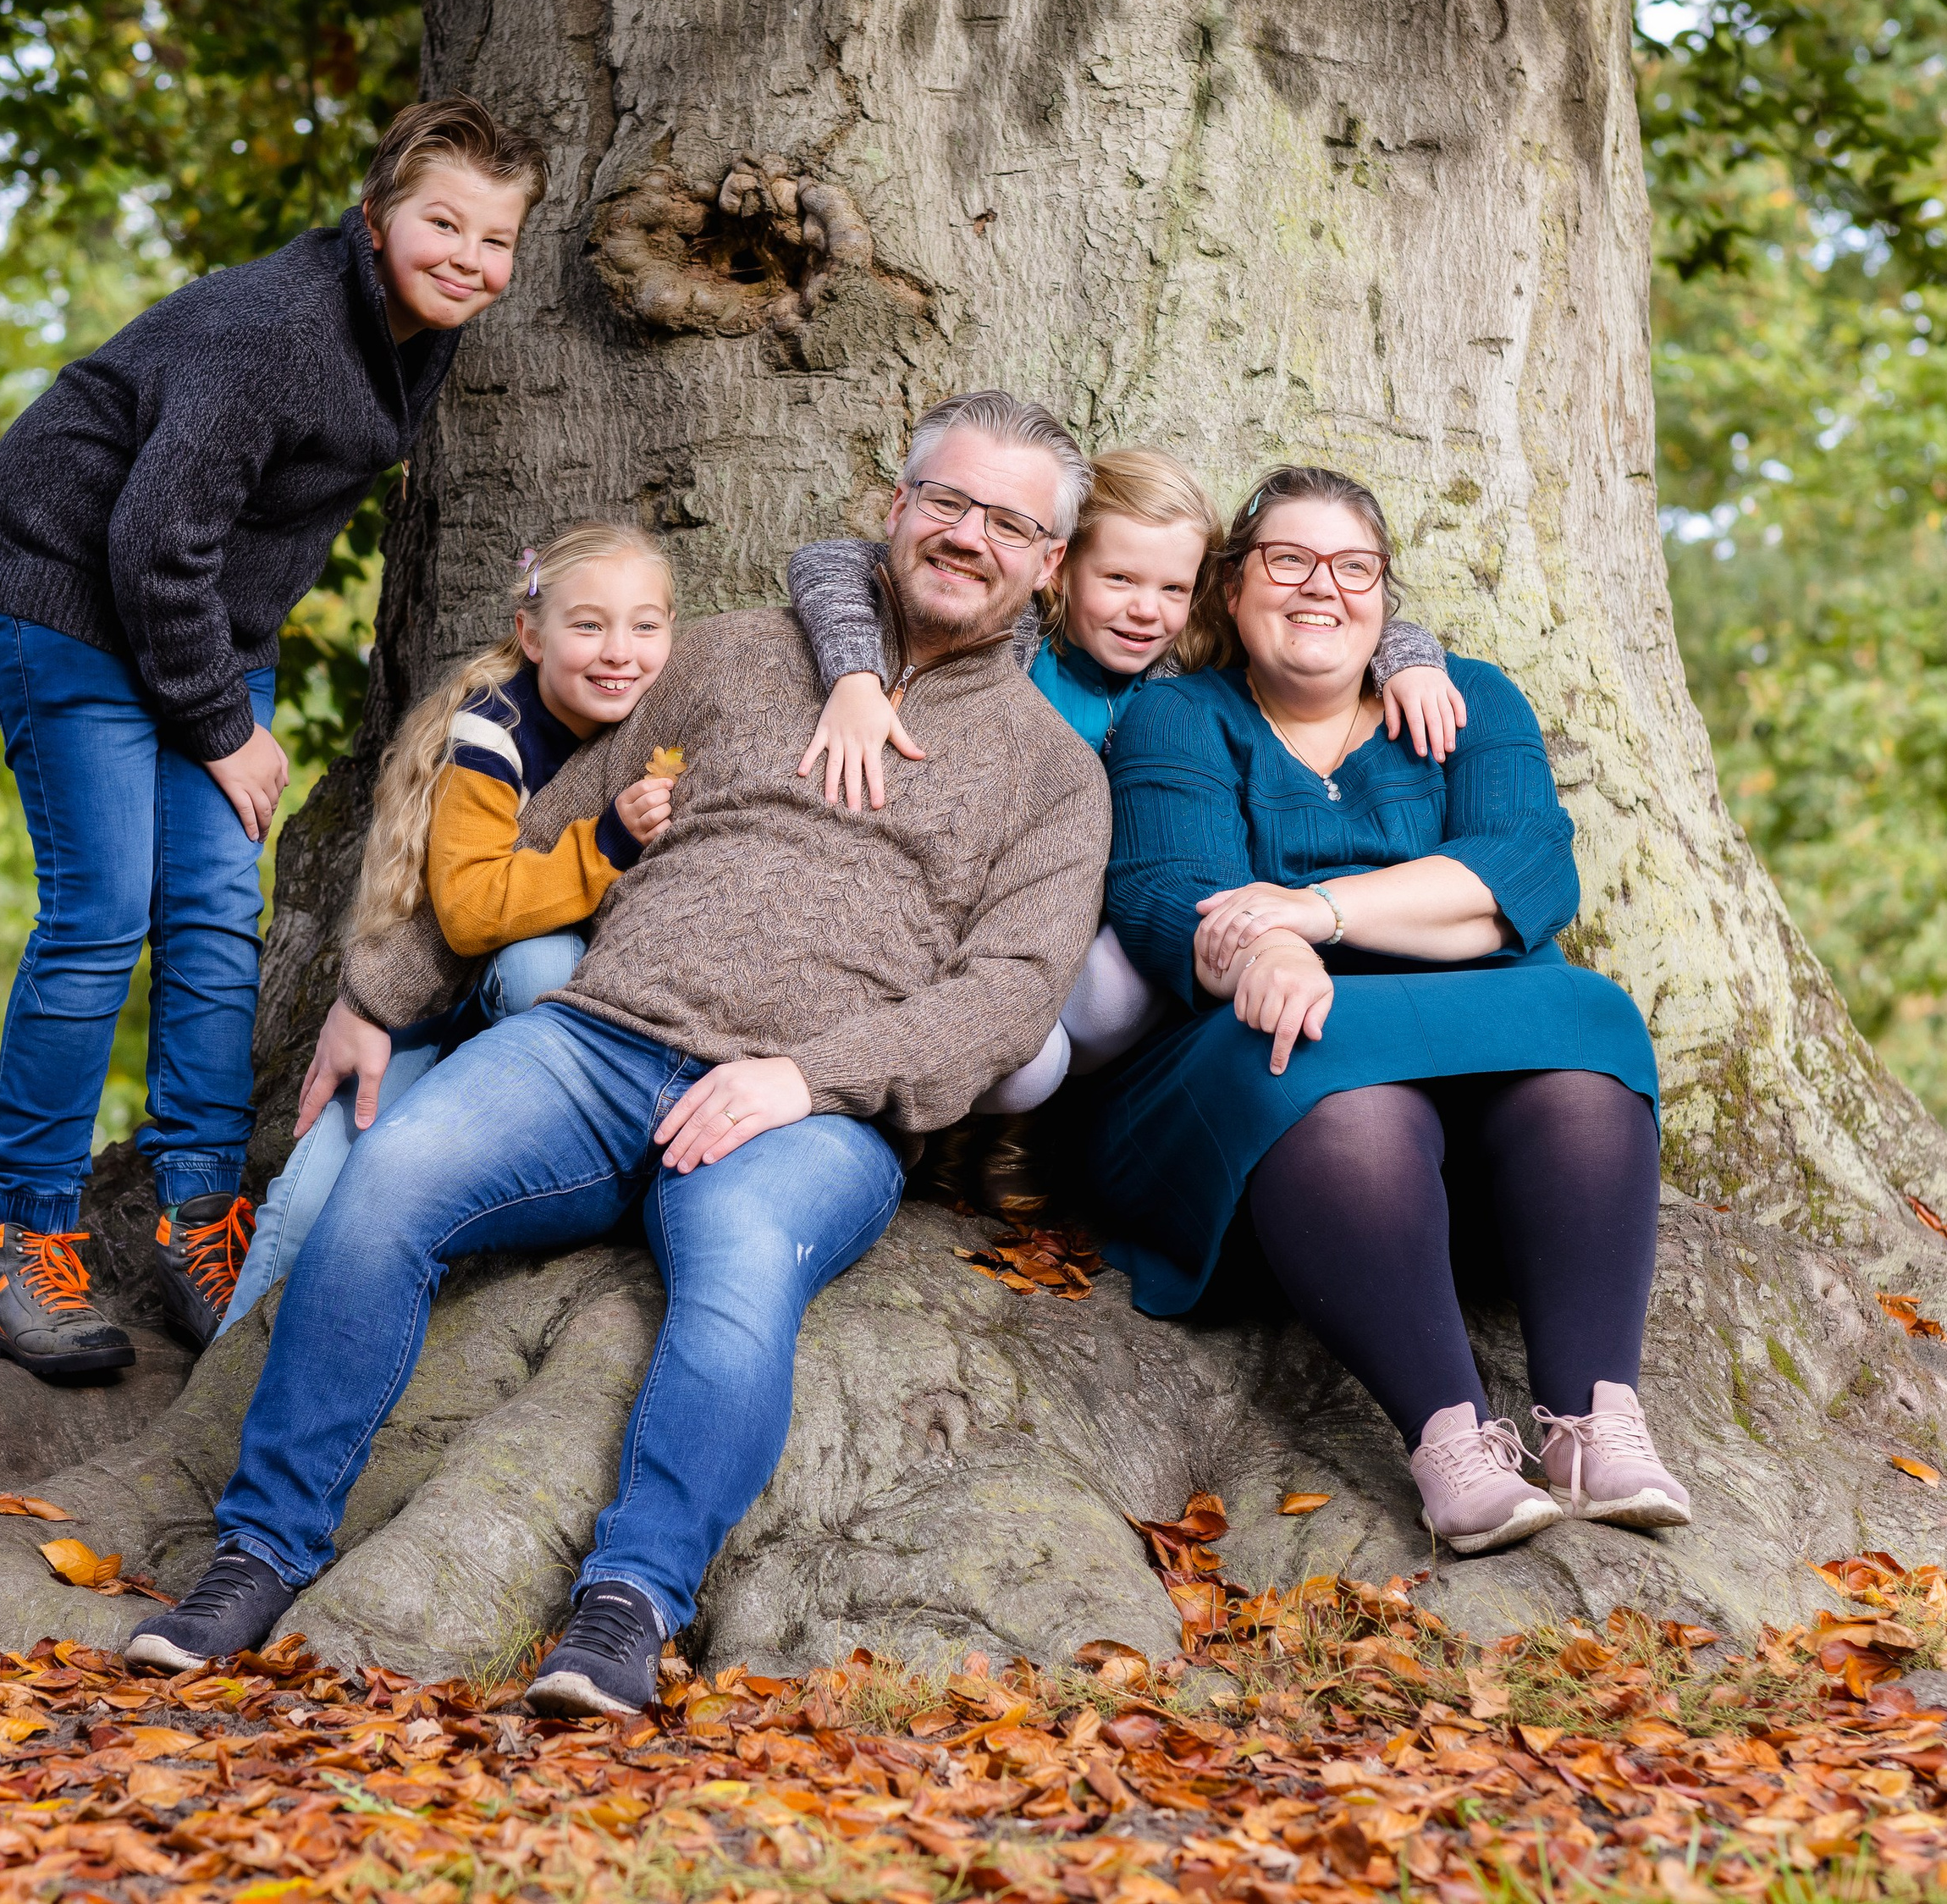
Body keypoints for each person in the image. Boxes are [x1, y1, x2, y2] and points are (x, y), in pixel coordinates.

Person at [122, 389, 1113, 1707]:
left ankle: (629, 1603)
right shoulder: (725, 655)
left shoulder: (1056, 773)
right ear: (896, 507)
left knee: (742, 1271)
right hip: (601, 1040)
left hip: (810, 1110)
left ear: (1048, 561)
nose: (969, 537)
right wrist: (381, 995)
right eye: (948, 502)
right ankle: (259, 1551)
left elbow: (1012, 994)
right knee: (392, 1180)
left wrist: (806, 1078)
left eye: (1009, 522)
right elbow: (557, 833)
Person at [0, 97, 549, 1377]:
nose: (469, 258)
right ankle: (31, 1241)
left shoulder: (411, 331)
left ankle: (198, 1216)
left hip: (204, 623)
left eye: (497, 240)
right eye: (441, 221)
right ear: (375, 214)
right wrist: (225, 726)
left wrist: (226, 693)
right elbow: (147, 539)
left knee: (222, 915)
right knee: (103, 913)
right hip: (71, 592)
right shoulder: (272, 331)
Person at [1090, 465, 1685, 1554]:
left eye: (1352, 566)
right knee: (1328, 1074)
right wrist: (1264, 944)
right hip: (1264, 1086)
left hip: (1475, 1082)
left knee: (1591, 1025)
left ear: (1384, 594)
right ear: (1231, 587)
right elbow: (1167, 895)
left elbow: (1523, 879)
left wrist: (1305, 915)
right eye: (1288, 560)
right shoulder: (1180, 714)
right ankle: (1453, 1438)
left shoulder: (1471, 701)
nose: (1322, 587)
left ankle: (1594, 1422)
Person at [783, 446, 1464, 1200]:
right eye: (1118, 580)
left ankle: (1019, 1122)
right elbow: (833, 563)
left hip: (1088, 923)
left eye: (1174, 587)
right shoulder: (1013, 643)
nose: (1147, 609)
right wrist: (854, 674)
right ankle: (939, 1112)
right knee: (1004, 1030)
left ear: (1205, 592)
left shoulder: (1188, 668)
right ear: (1058, 567)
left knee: (1112, 1000)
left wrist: (1408, 660)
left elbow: (1320, 626)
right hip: (963, 899)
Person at [217, 522, 678, 1333]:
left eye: (646, 625)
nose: (620, 652)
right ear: (530, 635)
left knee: (545, 967)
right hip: (446, 1003)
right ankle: (221, 1376)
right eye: (588, 625)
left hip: (568, 1030)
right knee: (318, 1189)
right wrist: (602, 842)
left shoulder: (670, 722)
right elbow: (466, 914)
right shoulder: (491, 731)